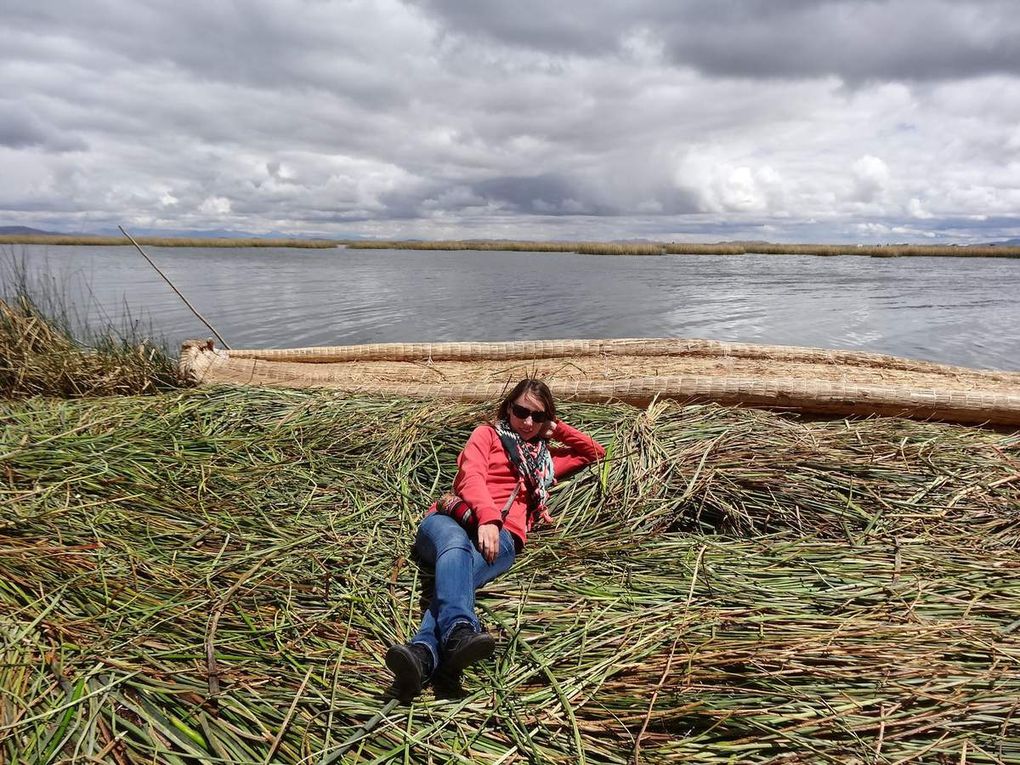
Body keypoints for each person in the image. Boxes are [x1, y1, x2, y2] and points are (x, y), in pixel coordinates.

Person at [386, 378, 606, 698]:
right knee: (457, 546)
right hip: (450, 521)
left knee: (456, 581)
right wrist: (488, 518)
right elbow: (470, 475)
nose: (528, 422)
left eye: (538, 416)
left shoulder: (544, 462)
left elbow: (594, 452)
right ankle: (461, 631)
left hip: (505, 537)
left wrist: (557, 430)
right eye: (521, 411)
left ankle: (422, 656)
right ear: (508, 409)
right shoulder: (486, 434)